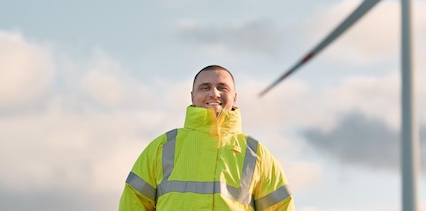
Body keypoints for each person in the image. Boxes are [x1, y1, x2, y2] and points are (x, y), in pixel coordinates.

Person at [119, 65, 295, 210]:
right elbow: (133, 202)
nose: (214, 93)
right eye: (205, 87)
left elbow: (280, 206)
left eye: (222, 88)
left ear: (234, 98)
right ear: (192, 96)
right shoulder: (161, 147)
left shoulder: (257, 154)